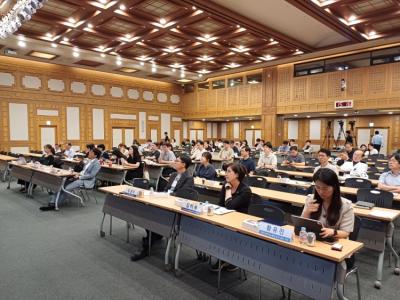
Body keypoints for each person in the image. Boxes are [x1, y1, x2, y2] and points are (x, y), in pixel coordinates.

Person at [131, 155, 194, 261]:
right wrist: (161, 195)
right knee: (147, 211)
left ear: (183, 164)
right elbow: (166, 188)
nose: (174, 162)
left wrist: (167, 196)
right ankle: (155, 234)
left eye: (177, 161)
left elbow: (183, 195)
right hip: (165, 200)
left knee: (153, 217)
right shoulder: (174, 175)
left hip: (174, 206)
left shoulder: (189, 178)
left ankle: (147, 246)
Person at [211, 163, 252, 272]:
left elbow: (230, 206)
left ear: (237, 175)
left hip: (239, 222)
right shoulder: (226, 185)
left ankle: (229, 259)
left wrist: (228, 189)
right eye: (226, 171)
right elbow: (220, 204)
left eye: (229, 171)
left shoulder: (245, 190)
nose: (226, 174)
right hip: (225, 218)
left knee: (224, 232)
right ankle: (221, 256)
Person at [302, 168, 354, 239]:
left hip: (335, 241)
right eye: (317, 187)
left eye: (325, 188)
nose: (321, 192)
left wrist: (333, 232)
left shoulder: (346, 205)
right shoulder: (311, 199)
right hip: (314, 239)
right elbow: (302, 224)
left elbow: (346, 233)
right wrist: (307, 212)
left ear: (334, 187)